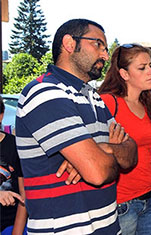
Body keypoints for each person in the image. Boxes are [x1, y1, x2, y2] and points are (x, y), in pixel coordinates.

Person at [15, 19, 137, 234]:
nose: (105, 55)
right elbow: (97, 172)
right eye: (98, 44)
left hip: (108, 226)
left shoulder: (95, 98)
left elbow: (131, 155)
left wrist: (102, 148)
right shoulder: (45, 92)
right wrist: (103, 153)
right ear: (70, 44)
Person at [98, 44, 151, 234]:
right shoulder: (108, 102)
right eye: (142, 68)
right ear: (124, 74)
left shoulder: (147, 103)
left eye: (150, 66)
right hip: (121, 203)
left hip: (149, 197)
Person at [0, 96, 27, 235]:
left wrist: (16, 232)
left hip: (10, 224)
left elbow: (24, 195)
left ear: (1, 116)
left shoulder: (16, 146)